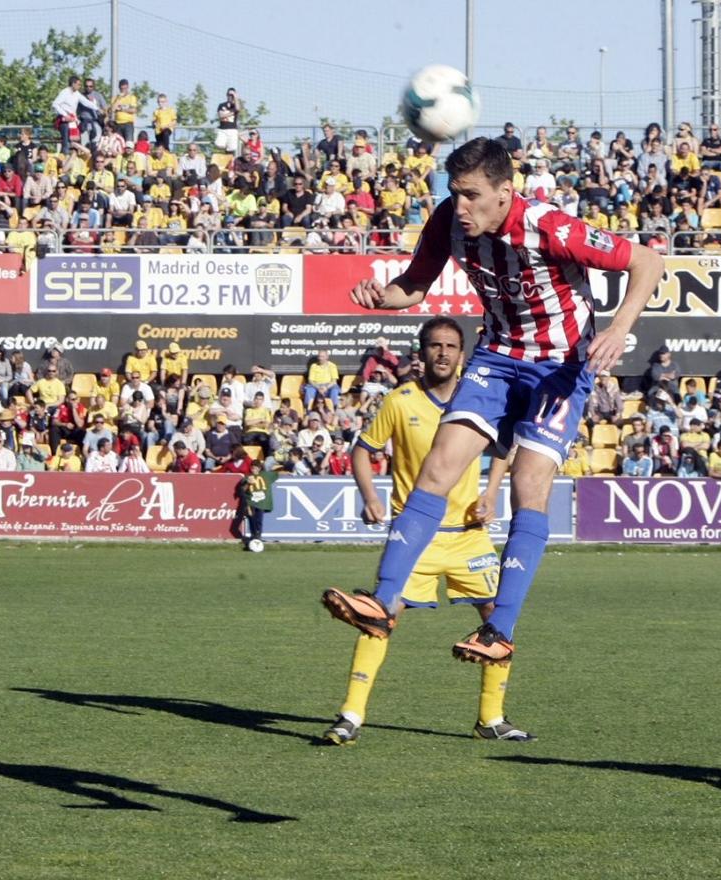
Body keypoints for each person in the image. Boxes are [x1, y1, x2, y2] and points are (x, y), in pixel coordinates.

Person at [320, 138, 663, 667]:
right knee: (438, 466)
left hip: (561, 366)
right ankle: (383, 601)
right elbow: (413, 287)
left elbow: (647, 260)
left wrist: (619, 329)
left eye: (472, 195)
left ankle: (498, 629)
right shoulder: (447, 221)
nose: (460, 207)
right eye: (455, 193)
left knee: (529, 483)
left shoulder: (551, 227)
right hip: (497, 357)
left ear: (505, 193)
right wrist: (380, 297)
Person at [322, 318, 537, 745]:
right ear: (421, 353)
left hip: (469, 536)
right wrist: (369, 496)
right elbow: (362, 451)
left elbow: (501, 447)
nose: (442, 352)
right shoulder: (399, 402)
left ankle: (491, 719)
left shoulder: (481, 401)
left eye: (451, 346)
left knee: (498, 621)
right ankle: (350, 714)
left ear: (462, 355)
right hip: (416, 537)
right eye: (434, 345)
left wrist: (492, 493)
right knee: (380, 619)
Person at [234, 459, 275, 549]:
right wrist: (248, 483)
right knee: (251, 519)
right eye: (252, 468)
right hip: (250, 503)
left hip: (261, 502)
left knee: (259, 520)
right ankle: (253, 535)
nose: (254, 470)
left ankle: (258, 536)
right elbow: (242, 490)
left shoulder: (264, 477)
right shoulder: (247, 476)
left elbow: (275, 475)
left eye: (256, 468)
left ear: (259, 469)